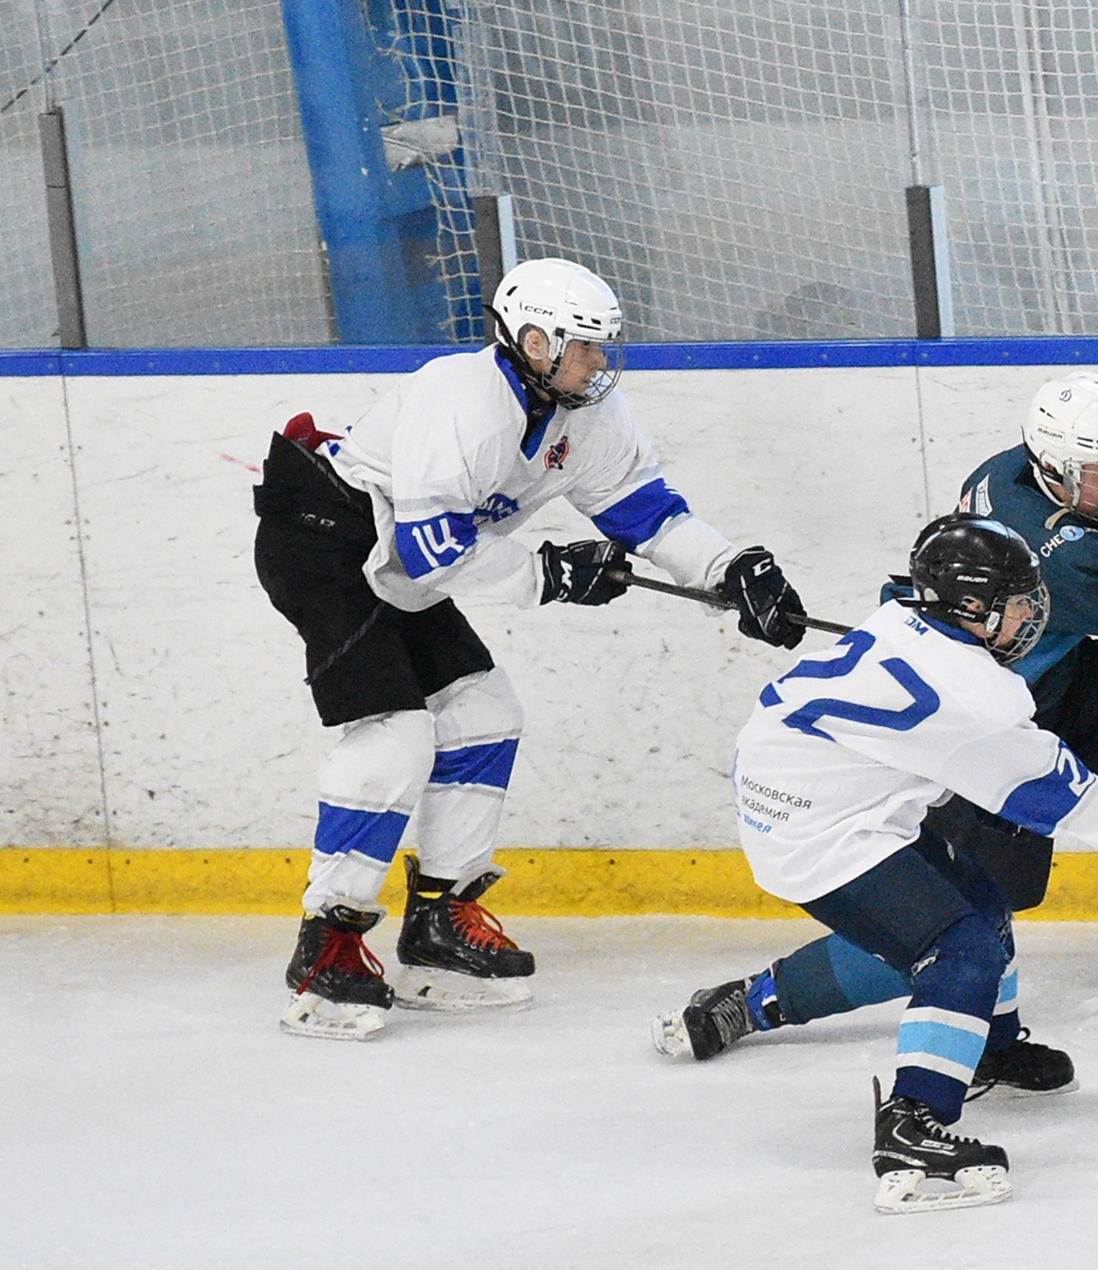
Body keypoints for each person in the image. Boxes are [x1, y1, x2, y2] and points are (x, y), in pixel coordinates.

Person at [655, 371, 1098, 1065]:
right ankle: (758, 1000)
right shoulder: (1056, 555)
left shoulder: (1011, 468)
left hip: (1044, 678)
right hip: (978, 732)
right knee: (963, 921)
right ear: (1057, 468)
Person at [253, 257, 806, 1041]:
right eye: (584, 348)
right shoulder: (460, 398)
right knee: (395, 734)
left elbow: (647, 515)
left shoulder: (589, 416)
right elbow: (433, 551)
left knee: (483, 713)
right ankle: (327, 941)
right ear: (534, 340)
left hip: (399, 560)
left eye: (603, 348)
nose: (598, 365)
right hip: (326, 540)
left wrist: (731, 568)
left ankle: (438, 923)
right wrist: (551, 572)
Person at [657, 513, 1098, 1213]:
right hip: (818, 827)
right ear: (971, 607)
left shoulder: (906, 618)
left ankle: (986, 1046)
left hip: (809, 787)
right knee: (956, 951)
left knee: (986, 908)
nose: (1030, 614)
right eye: (1019, 601)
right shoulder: (976, 692)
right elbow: (1037, 780)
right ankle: (912, 1124)